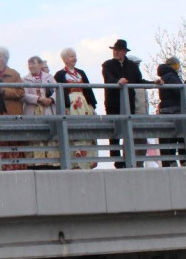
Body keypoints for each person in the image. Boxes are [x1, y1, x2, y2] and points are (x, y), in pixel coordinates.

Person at [100, 39, 144, 168]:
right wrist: (118, 81)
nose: (116, 52)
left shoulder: (132, 66)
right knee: (113, 132)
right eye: (114, 50)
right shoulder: (107, 65)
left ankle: (127, 159)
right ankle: (117, 160)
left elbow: (139, 81)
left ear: (124, 52)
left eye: (118, 50)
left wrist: (154, 83)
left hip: (128, 103)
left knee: (127, 131)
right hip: (113, 102)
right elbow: (109, 78)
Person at [54, 48, 98, 169]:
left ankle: (88, 161)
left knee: (87, 132)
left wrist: (92, 104)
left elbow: (88, 89)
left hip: (83, 104)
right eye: (71, 56)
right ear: (64, 59)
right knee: (72, 133)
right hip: (70, 106)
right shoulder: (60, 74)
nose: (74, 58)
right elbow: (58, 92)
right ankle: (75, 162)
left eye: (75, 56)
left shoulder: (81, 73)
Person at [22, 56, 59, 169]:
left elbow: (57, 90)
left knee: (50, 135)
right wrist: (38, 99)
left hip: (48, 110)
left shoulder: (49, 78)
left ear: (40, 64)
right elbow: (24, 95)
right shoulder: (24, 79)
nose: (31, 66)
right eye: (29, 64)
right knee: (35, 137)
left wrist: (51, 100)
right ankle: (36, 163)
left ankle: (52, 162)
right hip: (33, 112)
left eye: (33, 63)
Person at [156, 58, 186, 167]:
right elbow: (180, 93)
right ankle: (180, 160)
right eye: (176, 66)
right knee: (180, 134)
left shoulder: (165, 76)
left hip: (165, 110)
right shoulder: (171, 76)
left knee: (168, 136)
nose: (178, 69)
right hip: (174, 110)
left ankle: (169, 160)